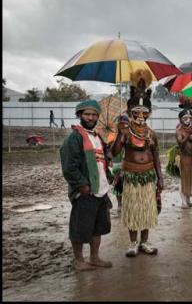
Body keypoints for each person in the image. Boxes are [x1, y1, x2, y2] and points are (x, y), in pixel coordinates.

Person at [110, 69, 163, 257]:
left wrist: (160, 179)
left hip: (148, 177)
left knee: (147, 210)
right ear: (131, 112)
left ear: (148, 113)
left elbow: (156, 157)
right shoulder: (125, 131)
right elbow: (114, 152)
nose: (141, 115)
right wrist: (119, 133)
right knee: (133, 209)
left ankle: (145, 242)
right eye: (137, 111)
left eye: (144, 112)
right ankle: (132, 243)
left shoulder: (151, 134)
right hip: (131, 176)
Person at [60, 99, 113, 271]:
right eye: (86, 114)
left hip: (101, 190)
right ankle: (78, 260)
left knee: (97, 227)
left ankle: (94, 257)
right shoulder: (74, 139)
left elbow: (102, 162)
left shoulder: (98, 138)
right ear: (80, 115)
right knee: (80, 227)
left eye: (93, 114)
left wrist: (110, 175)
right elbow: (69, 167)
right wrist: (82, 185)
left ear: (97, 117)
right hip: (85, 191)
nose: (90, 117)